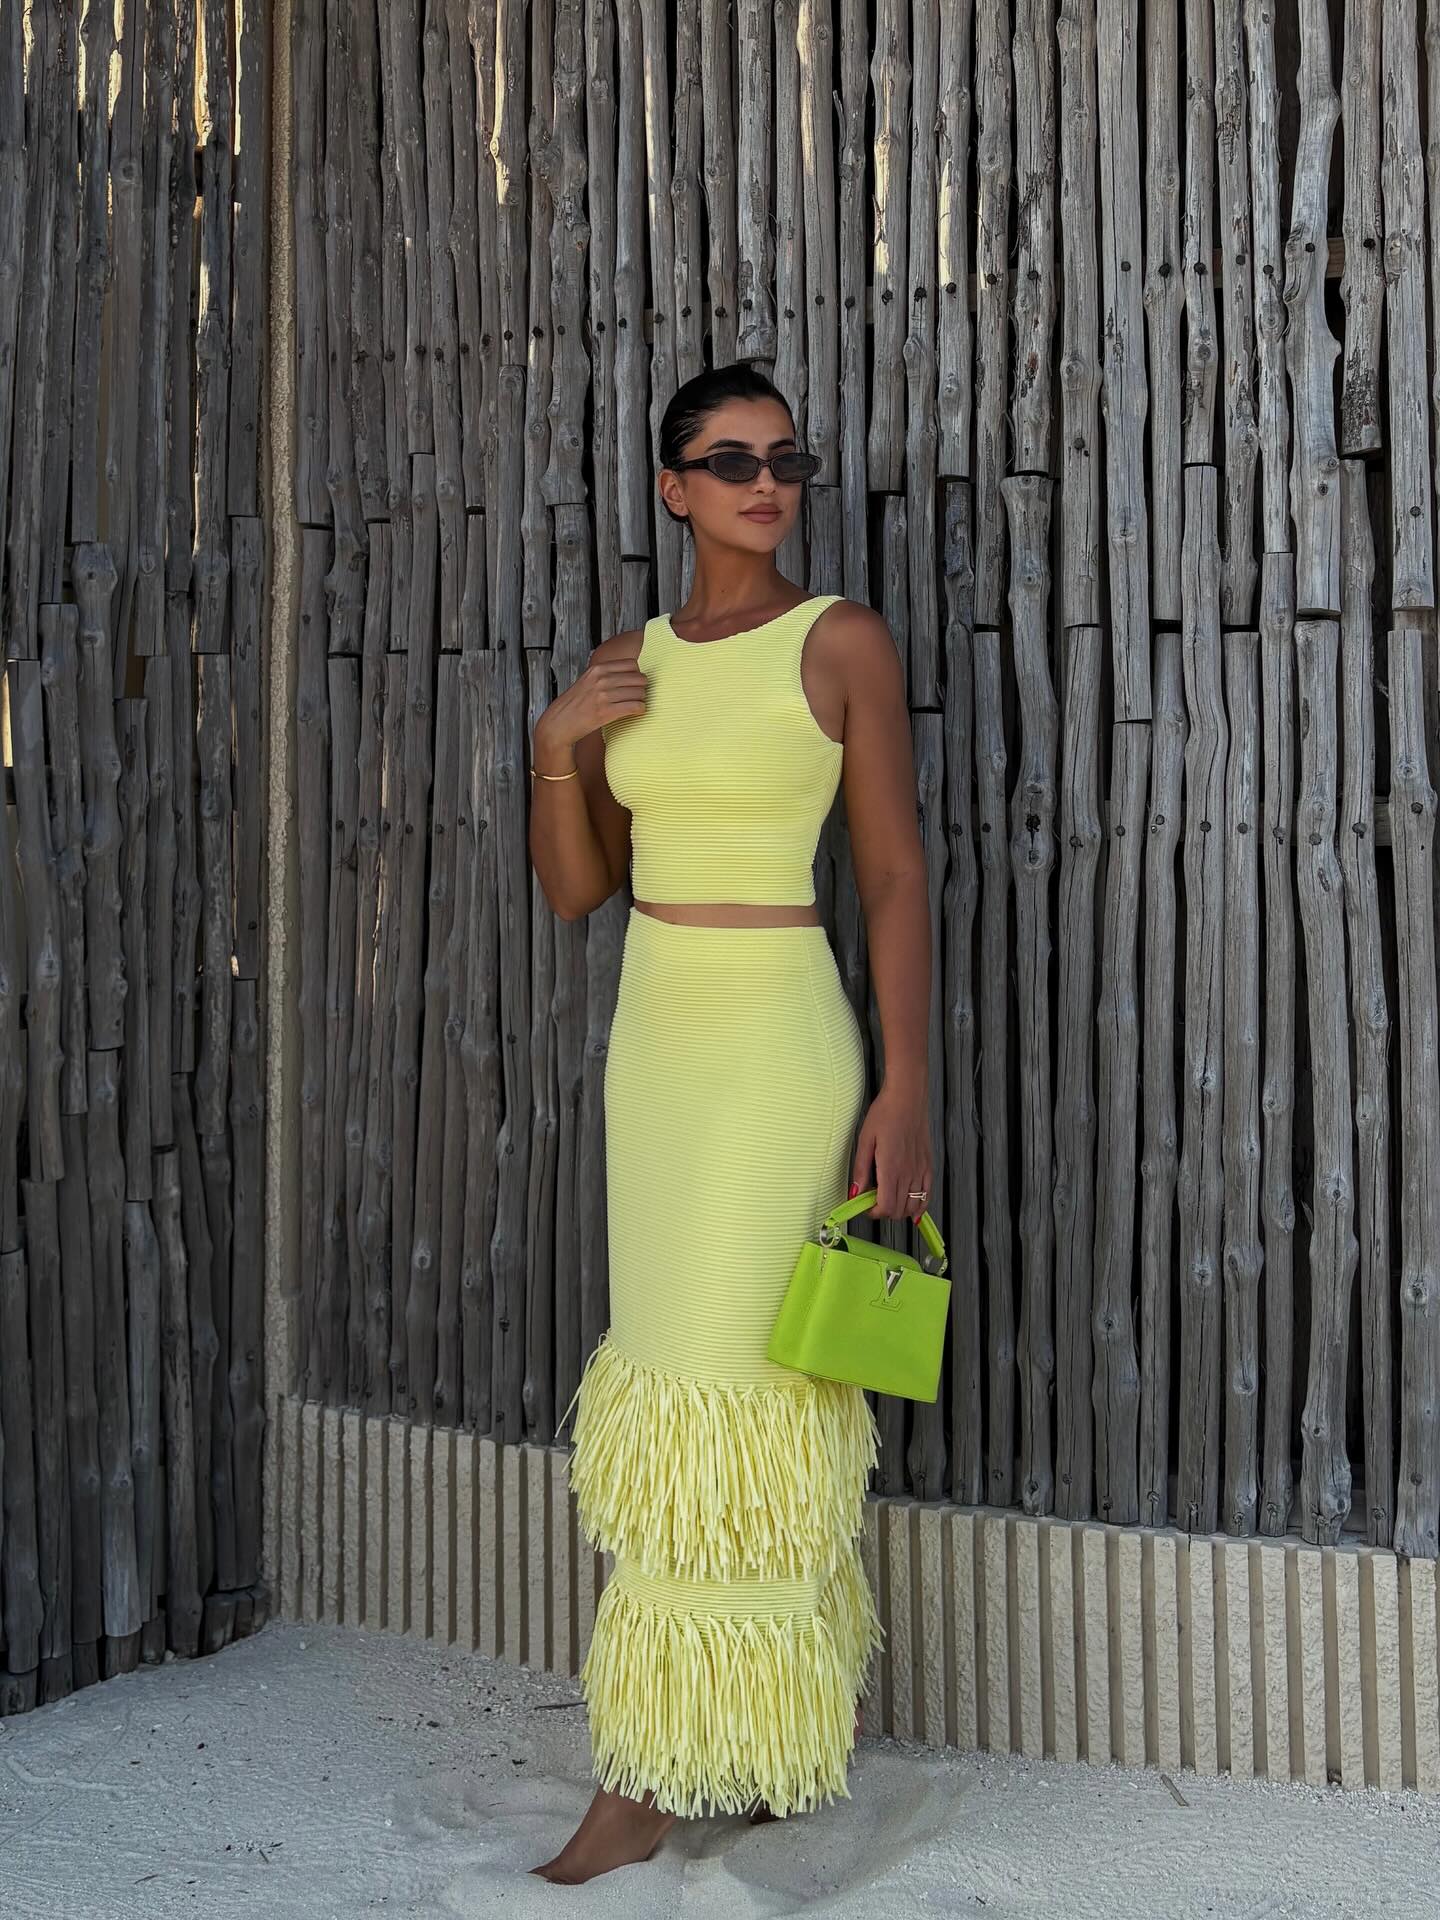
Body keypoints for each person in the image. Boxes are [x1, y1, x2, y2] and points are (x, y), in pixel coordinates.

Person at [525, 363, 932, 1883]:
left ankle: (648, 1774)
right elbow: (583, 886)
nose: (769, 484)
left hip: (777, 1042)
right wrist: (559, 740)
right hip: (659, 1045)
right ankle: (759, 1737)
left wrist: (906, 1086)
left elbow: (891, 875)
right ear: (673, 488)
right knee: (677, 1383)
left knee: (745, 1386)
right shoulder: (624, 663)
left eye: (786, 460)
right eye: (733, 460)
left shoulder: (839, 642)